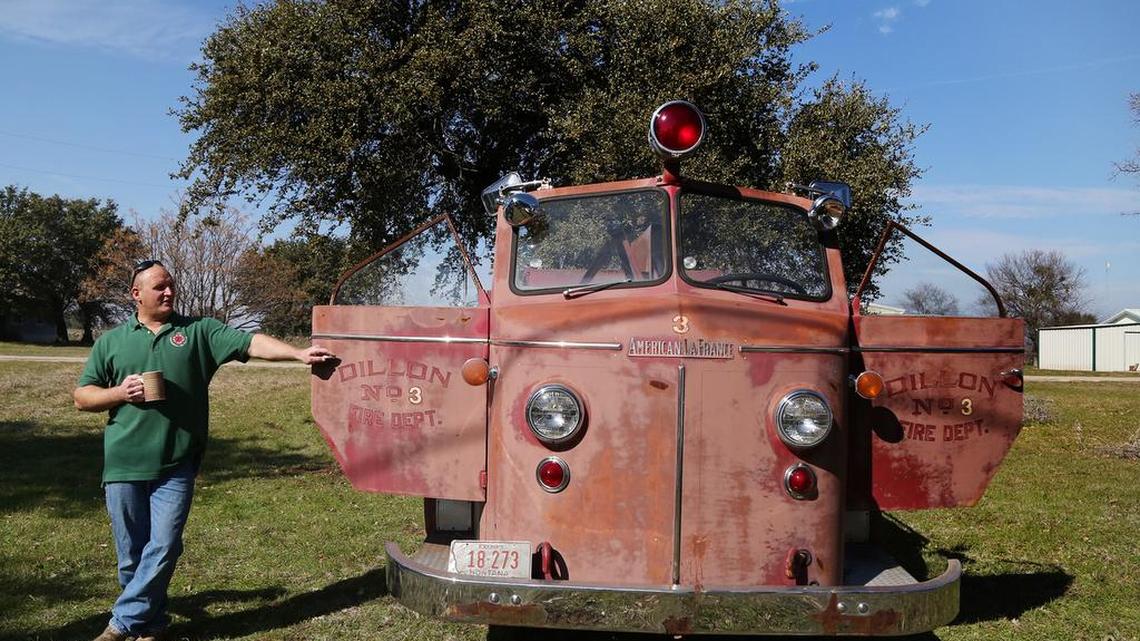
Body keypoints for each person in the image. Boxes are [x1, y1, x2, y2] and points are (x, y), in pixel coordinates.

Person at [73, 260, 334, 641]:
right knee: (131, 556)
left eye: (171, 285)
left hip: (178, 460)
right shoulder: (111, 341)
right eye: (159, 287)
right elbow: (83, 397)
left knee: (163, 545)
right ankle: (154, 624)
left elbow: (250, 342)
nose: (168, 292)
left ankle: (120, 626)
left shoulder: (199, 331)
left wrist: (296, 353)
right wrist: (119, 393)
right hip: (124, 462)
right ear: (136, 294)